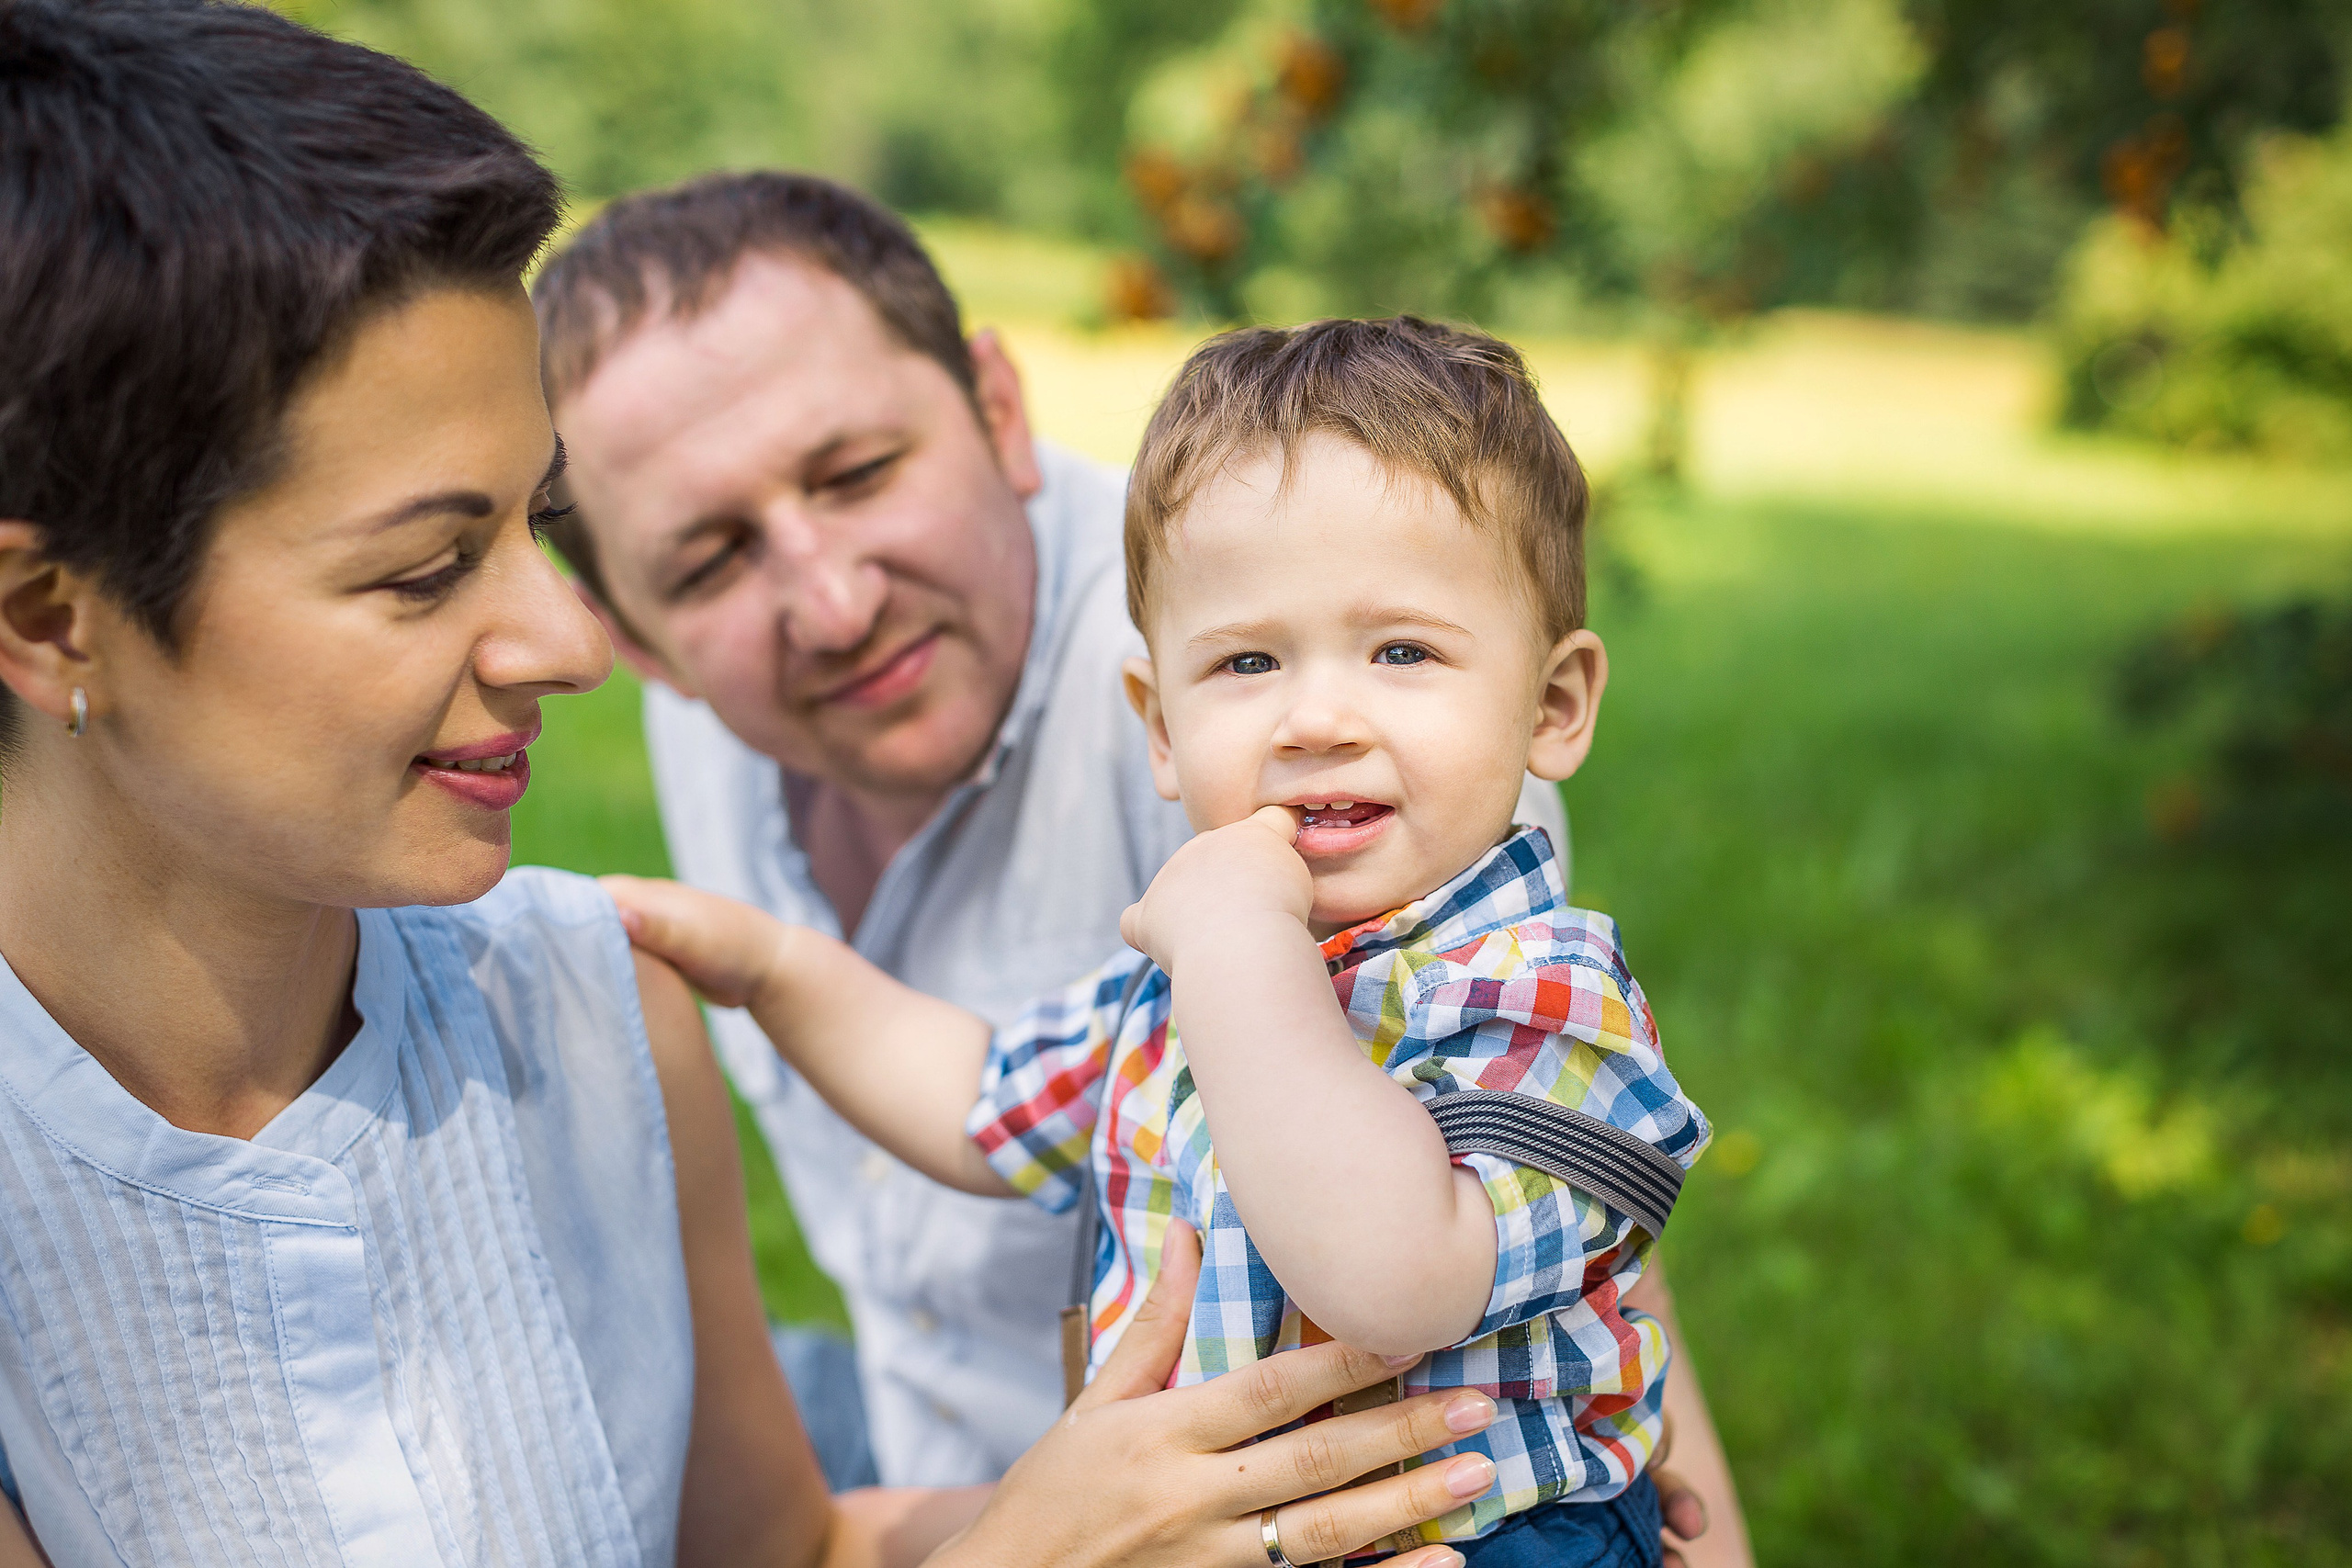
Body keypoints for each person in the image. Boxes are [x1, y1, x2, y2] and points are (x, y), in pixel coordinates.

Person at [0, 5, 1509, 1563]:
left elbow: (788, 1548)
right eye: (429, 567)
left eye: (533, 524)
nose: (574, 641)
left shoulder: (599, 1013)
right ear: (53, 620)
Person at [536, 174, 1749, 1567]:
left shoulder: (1504, 962)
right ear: (1162, 726)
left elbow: (1404, 1279)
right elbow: (976, 1094)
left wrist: (1236, 947)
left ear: (1553, 711)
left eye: (858, 473)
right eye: (710, 559)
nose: (1317, 714)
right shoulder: (1166, 953)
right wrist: (771, 965)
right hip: (1075, 1506)